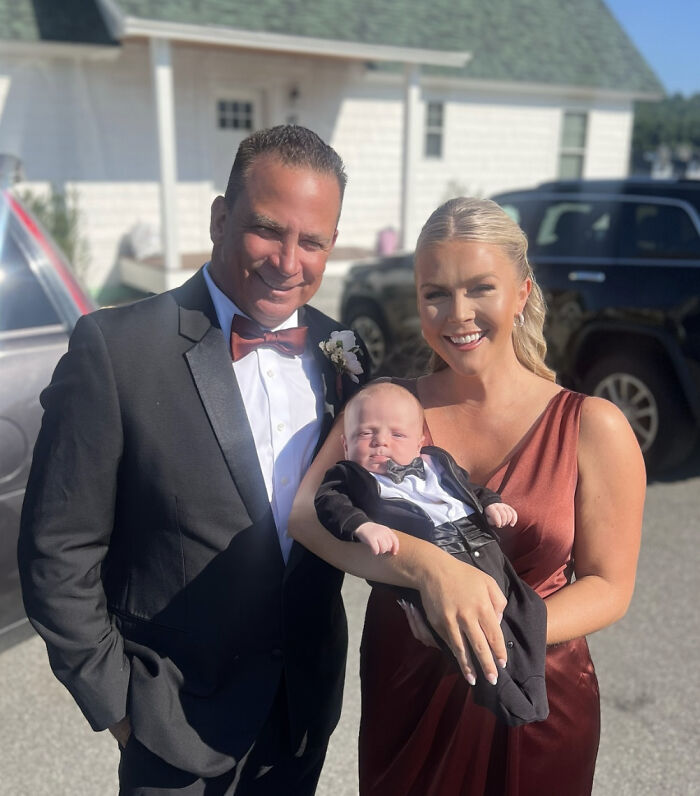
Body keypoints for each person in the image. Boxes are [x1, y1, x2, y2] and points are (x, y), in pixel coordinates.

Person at [17, 125, 371, 795]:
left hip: (298, 719)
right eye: (268, 229)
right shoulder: (115, 351)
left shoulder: (343, 351)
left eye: (314, 241)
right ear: (219, 217)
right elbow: (56, 551)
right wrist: (120, 708)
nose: (289, 261)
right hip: (168, 727)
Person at [288, 197, 644, 795]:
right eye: (435, 294)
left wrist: (495, 633)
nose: (458, 315)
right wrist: (425, 569)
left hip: (539, 693)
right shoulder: (384, 409)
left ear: (522, 292)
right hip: (409, 686)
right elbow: (306, 514)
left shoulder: (591, 425)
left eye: (481, 288)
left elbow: (610, 587)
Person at [315, 381, 549, 727]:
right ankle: (500, 693)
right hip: (438, 551)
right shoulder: (350, 478)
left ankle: (532, 681)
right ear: (346, 444)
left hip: (481, 543)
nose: (381, 442)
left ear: (420, 441)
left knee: (529, 608)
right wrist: (362, 527)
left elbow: (470, 488)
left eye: (397, 435)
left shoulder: (437, 463)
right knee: (462, 631)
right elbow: (328, 502)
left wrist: (491, 504)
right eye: (367, 434)